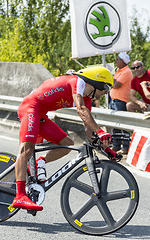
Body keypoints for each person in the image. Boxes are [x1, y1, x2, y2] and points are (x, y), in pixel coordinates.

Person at [12, 66, 118, 211]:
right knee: (27, 149)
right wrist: (100, 131)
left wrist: (107, 150)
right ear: (96, 82)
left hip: (41, 114)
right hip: (30, 107)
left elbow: (89, 129)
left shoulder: (87, 99)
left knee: (67, 144)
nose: (105, 93)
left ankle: (40, 162)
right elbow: (81, 110)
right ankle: (19, 195)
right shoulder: (77, 81)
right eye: (105, 88)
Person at [109, 52, 133, 154]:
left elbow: (115, 85)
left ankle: (126, 147)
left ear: (123, 61)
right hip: (114, 100)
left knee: (123, 125)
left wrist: (111, 80)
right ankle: (116, 145)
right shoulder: (119, 71)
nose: (116, 61)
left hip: (121, 100)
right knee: (115, 125)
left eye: (118, 59)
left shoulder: (126, 71)